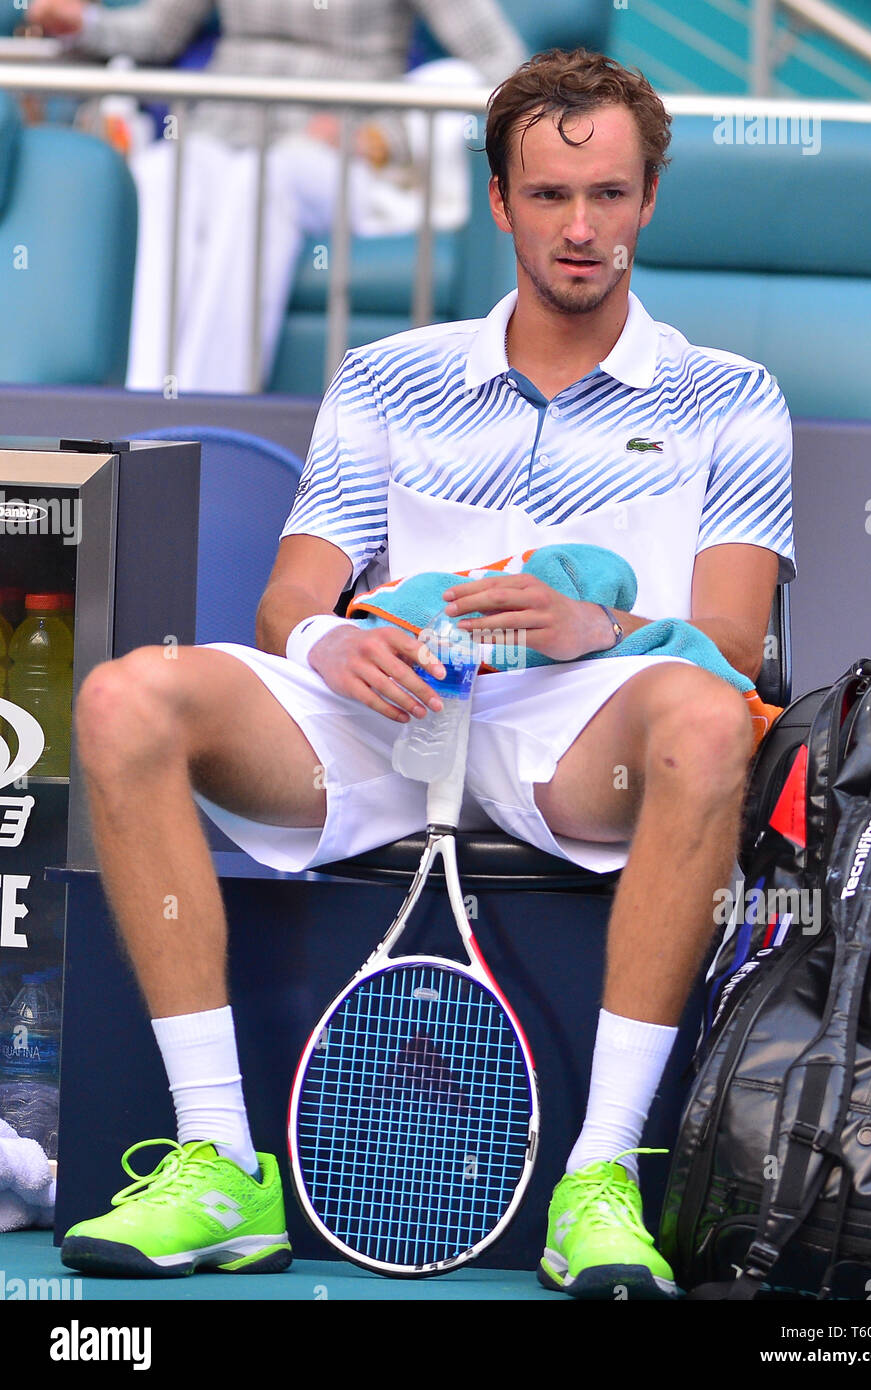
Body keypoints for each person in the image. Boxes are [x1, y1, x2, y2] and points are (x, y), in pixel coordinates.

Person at [60, 47, 794, 1297]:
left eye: (610, 196)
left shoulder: (732, 397)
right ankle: (220, 1161)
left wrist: (587, 631)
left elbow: (728, 643)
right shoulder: (389, 374)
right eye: (550, 197)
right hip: (394, 717)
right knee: (126, 696)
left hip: (591, 733)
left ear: (649, 200)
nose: (581, 228)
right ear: (499, 202)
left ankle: (599, 1177)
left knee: (710, 720)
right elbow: (293, 588)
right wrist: (329, 636)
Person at [26, 0, 527, 392]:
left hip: (336, 155)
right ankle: (140, 404)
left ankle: (209, 412)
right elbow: (159, 31)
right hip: (219, 133)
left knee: (262, 182)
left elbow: (501, 62)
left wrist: (383, 131)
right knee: (160, 175)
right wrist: (85, 23)